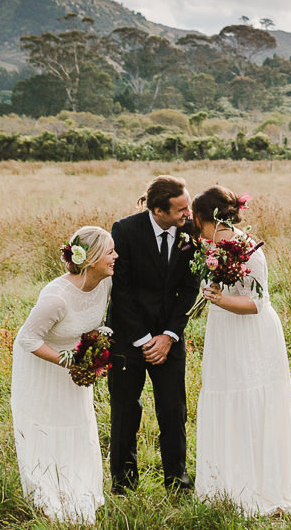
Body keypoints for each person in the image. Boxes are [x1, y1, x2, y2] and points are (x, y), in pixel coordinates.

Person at [189, 185, 291, 515]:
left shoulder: (248, 247)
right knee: (225, 397)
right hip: (223, 331)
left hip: (251, 334)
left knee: (251, 401)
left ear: (205, 218)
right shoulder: (211, 248)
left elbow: (256, 302)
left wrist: (220, 299)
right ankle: (225, 481)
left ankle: (257, 483)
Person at [12, 225, 118, 523]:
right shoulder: (56, 297)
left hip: (74, 363)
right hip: (44, 364)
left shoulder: (104, 284)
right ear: (92, 257)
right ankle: (48, 487)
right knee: (48, 423)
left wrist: (94, 348)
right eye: (110, 251)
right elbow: (28, 339)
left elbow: (91, 322)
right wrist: (70, 362)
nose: (116, 256)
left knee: (76, 421)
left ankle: (78, 483)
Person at [107, 175, 201, 494]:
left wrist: (169, 335)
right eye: (181, 209)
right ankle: (123, 483)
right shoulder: (125, 230)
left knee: (174, 411)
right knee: (125, 411)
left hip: (169, 340)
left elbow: (190, 288)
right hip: (128, 338)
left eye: (187, 206)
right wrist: (144, 338)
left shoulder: (190, 233)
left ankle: (178, 482)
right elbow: (120, 290)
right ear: (158, 210)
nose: (188, 213)